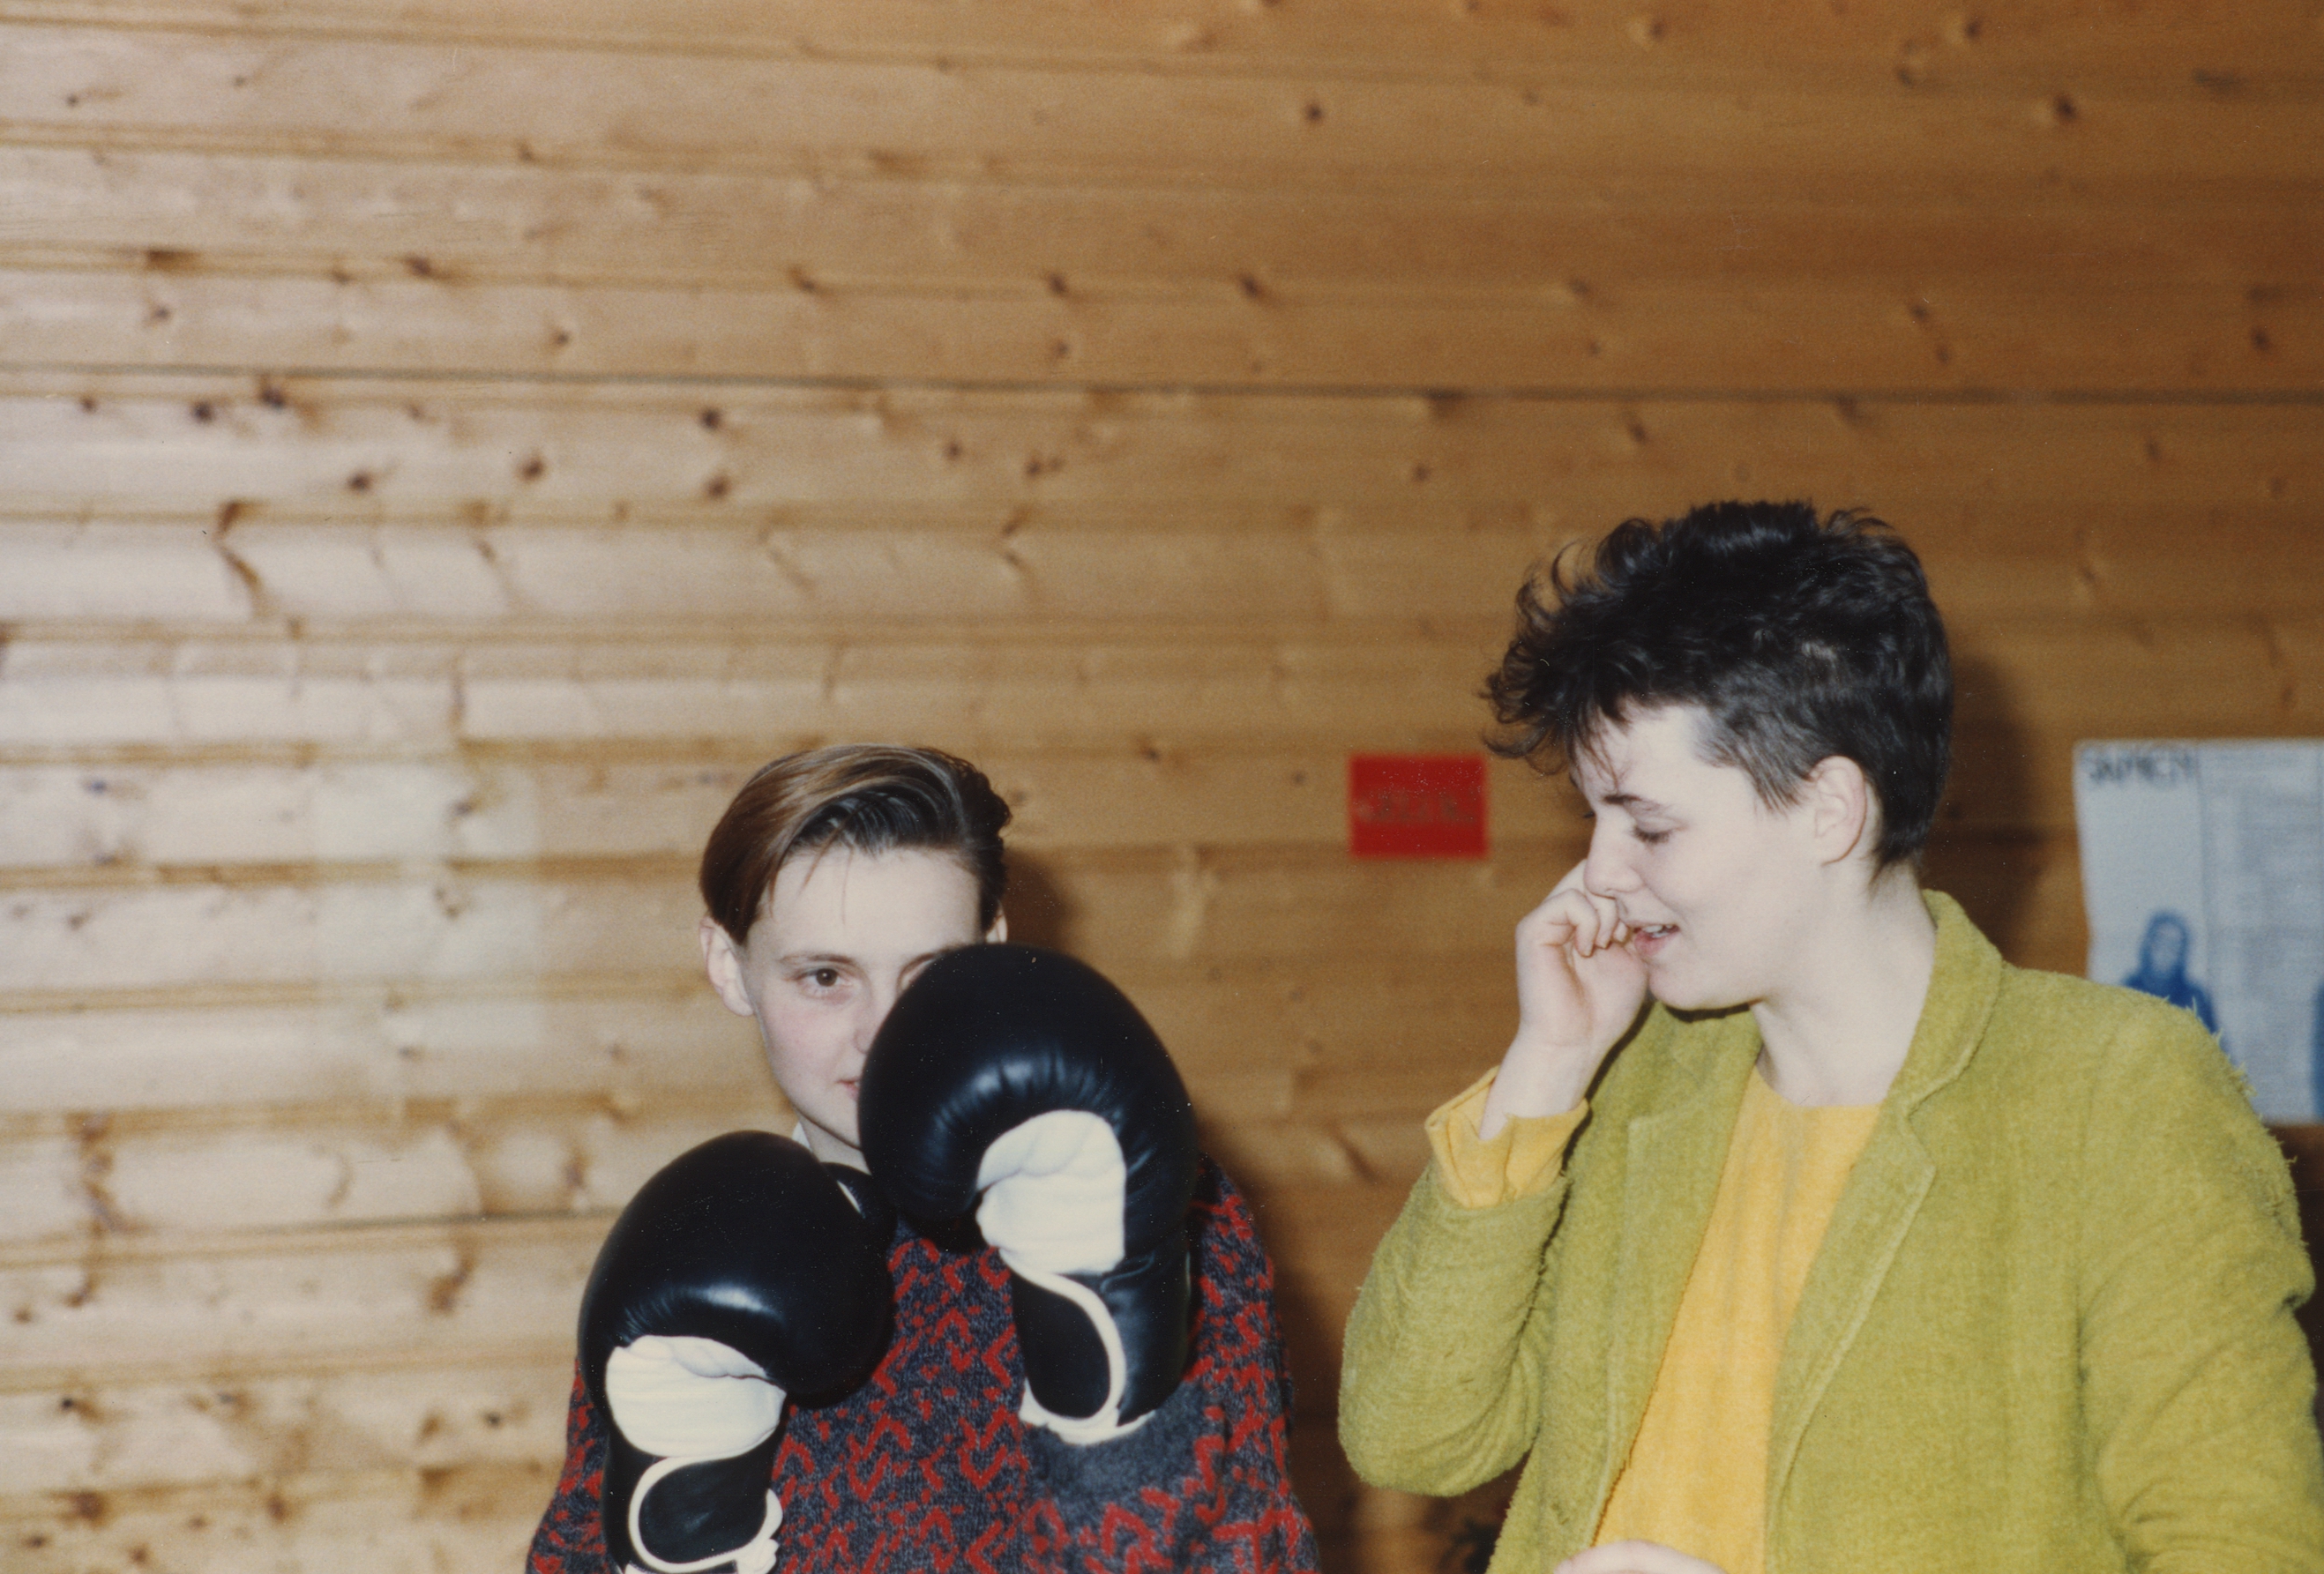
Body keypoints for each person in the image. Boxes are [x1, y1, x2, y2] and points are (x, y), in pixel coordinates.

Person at [1337, 503, 2324, 1574]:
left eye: (1649, 824)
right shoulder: (1631, 1080)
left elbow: (2239, 1549)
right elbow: (1412, 1435)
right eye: (1594, 819)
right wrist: (1545, 1070)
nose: (1601, 874)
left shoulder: (2117, 1091)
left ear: (1829, 811)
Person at [528, 743, 1319, 1573]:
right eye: (826, 975)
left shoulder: (1145, 1195)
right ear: (731, 967)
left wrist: (1116, 1430)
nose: (880, 1029)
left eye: (929, 969)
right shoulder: (696, 1238)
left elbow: (1254, 1552)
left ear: (993, 942)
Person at [2120, 909, 2219, 1033]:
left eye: (2174, 945)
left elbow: (2214, 1046)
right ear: (2148, 943)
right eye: (2161, 942)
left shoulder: (2194, 998)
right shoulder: (2128, 990)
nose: (2165, 952)